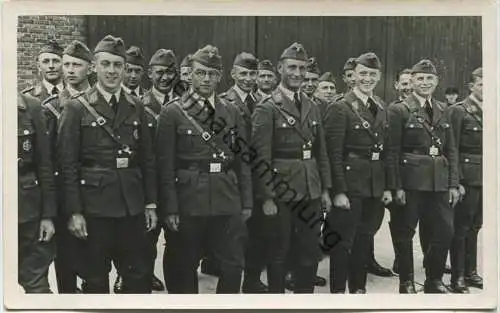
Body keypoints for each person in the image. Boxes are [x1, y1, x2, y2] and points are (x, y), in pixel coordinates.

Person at [58, 34, 158, 293]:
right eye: (106, 64)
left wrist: (150, 203)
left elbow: (147, 159)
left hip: (131, 207)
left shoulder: (136, 105)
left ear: (125, 69)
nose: (112, 71)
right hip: (94, 208)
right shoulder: (76, 108)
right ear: (94, 67)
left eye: (117, 65)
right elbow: (68, 165)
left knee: (138, 277)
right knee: (95, 280)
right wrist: (74, 212)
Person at [156, 44, 253, 294]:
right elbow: (164, 166)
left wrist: (247, 202)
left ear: (220, 76)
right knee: (183, 263)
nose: (206, 79)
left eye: (212, 73)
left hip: (226, 196)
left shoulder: (231, 111)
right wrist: (170, 207)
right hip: (189, 198)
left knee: (233, 263)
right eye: (200, 73)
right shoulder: (173, 113)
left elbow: (243, 161)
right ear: (190, 74)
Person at [252, 42, 332, 293]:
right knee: (279, 250)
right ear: (280, 69)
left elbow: (322, 152)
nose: (297, 73)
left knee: (309, 249)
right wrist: (267, 197)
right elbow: (259, 156)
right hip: (281, 190)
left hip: (311, 188)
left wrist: (326, 189)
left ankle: (304, 300)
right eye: (292, 67)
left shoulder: (312, 105)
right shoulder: (267, 107)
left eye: (301, 68)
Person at [387, 59, 460, 293]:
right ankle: (406, 281)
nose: (425, 83)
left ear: (437, 82)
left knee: (445, 230)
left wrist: (454, 184)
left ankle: (434, 279)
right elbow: (392, 151)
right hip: (410, 181)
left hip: (439, 181)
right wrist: (396, 185)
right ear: (412, 82)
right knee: (405, 230)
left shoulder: (443, 109)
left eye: (429, 78)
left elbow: (451, 150)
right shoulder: (399, 109)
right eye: (420, 78)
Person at [324, 52, 393, 294]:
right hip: (350, 184)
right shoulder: (340, 107)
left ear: (379, 77)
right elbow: (333, 154)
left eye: (373, 74)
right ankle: (337, 294)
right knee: (342, 242)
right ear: (353, 76)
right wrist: (338, 191)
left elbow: (387, 153)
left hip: (374, 185)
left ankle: (358, 290)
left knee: (365, 239)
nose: (368, 78)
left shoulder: (382, 106)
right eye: (363, 73)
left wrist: (387, 187)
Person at [47, 40, 93, 293]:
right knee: (65, 259)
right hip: (65, 193)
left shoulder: (100, 103)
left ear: (90, 68)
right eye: (67, 64)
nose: (70, 70)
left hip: (96, 190)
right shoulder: (51, 107)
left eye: (77, 64)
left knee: (95, 261)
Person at [448, 67, 483, 293]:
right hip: (467, 178)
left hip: (485, 177)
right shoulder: (459, 111)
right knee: (461, 226)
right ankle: (457, 276)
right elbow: (452, 148)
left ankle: (471, 272)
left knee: (476, 226)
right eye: (483, 84)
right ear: (472, 87)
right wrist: (456, 180)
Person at [18, 92, 57, 293]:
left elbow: (44, 165)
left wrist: (48, 216)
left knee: (37, 286)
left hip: (26, 212)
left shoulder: (30, 106)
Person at [387, 68, 413, 275]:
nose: (408, 87)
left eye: (411, 82)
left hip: (420, 175)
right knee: (401, 220)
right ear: (396, 86)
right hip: (400, 173)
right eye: (404, 83)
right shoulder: (393, 109)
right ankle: (400, 259)